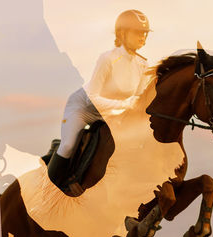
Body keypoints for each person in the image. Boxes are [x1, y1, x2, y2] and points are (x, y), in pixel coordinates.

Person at [47, 9, 151, 191]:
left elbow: (138, 101)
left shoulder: (143, 65)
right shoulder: (108, 58)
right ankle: (48, 189)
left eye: (144, 33)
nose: (142, 37)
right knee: (69, 144)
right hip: (83, 109)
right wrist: (125, 105)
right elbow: (94, 98)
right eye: (138, 32)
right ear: (122, 33)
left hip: (111, 115)